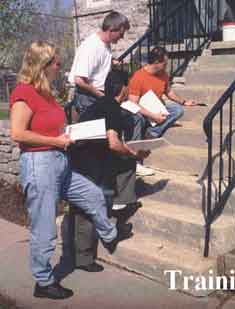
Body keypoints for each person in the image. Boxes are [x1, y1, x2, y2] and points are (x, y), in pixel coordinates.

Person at [9, 41, 132, 300]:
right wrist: (56, 141)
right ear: (42, 65)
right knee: (44, 228)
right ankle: (43, 282)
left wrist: (68, 133)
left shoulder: (46, 93)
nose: (59, 65)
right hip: (39, 165)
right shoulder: (24, 92)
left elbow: (49, 127)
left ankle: (109, 233)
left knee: (93, 195)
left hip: (60, 163)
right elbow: (18, 133)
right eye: (55, 61)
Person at [69, 69, 149, 273]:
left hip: (80, 160)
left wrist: (129, 153)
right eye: (128, 86)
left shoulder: (98, 105)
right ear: (123, 88)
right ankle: (84, 258)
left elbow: (108, 141)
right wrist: (134, 154)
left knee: (125, 164)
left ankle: (119, 206)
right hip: (88, 166)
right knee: (86, 209)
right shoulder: (113, 107)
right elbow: (114, 144)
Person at [127, 46, 197, 174]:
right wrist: (153, 116)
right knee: (135, 117)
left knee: (177, 109)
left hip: (157, 108)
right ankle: (135, 160)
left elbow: (169, 92)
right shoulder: (138, 77)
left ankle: (152, 132)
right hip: (142, 112)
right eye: (165, 63)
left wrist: (184, 102)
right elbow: (133, 103)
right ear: (156, 62)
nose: (166, 66)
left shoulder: (163, 75)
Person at [68, 11, 130, 118]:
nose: (122, 37)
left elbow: (98, 61)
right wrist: (102, 96)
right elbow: (79, 80)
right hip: (88, 98)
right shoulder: (92, 46)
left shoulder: (105, 44)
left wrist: (112, 61)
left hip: (97, 95)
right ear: (111, 30)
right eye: (121, 33)